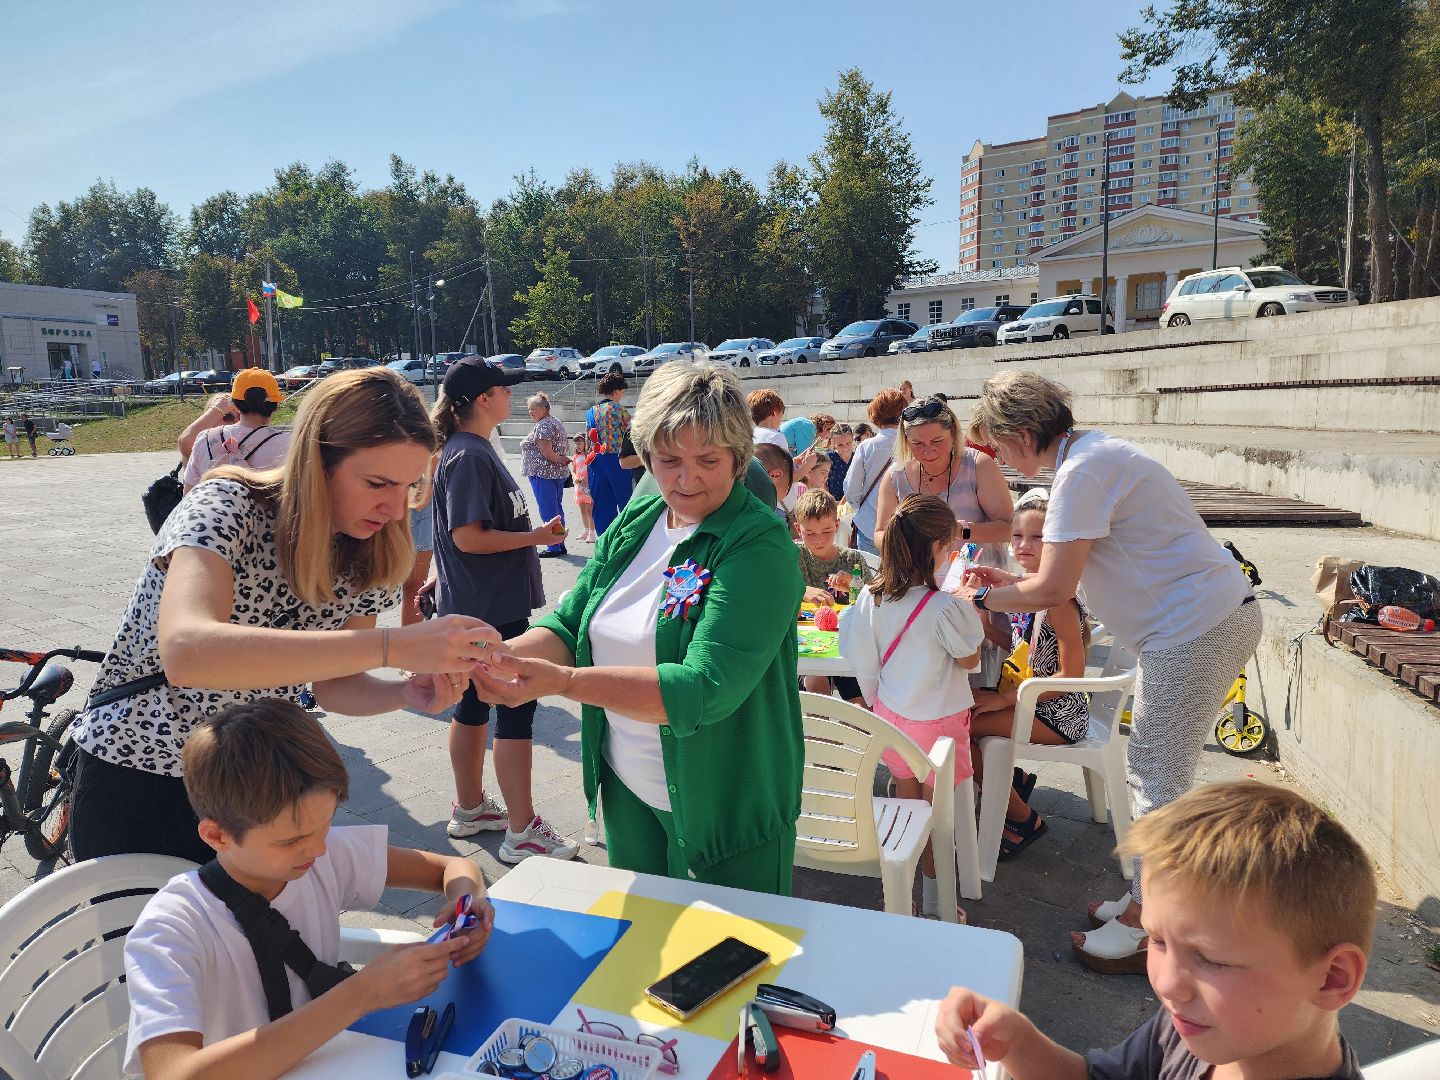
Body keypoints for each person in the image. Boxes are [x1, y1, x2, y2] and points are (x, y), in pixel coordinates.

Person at [68, 367, 493, 864]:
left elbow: (334, 685)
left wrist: (404, 691)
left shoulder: (368, 549)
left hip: (253, 787)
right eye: (379, 483)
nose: (396, 509)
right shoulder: (226, 504)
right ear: (317, 460)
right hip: (139, 770)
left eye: (409, 486)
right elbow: (187, 649)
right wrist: (393, 645)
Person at [962, 371, 1262, 973]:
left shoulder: (1080, 473)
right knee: (1158, 772)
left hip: (1192, 628)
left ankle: (1151, 925)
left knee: (1155, 778)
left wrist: (978, 601)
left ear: (1022, 435)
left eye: (999, 447)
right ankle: (1152, 899)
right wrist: (1009, 589)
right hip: (1198, 622)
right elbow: (1061, 580)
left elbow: (1054, 586)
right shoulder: (1091, 456)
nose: (1003, 460)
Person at [471, 360, 806, 895]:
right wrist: (495, 658)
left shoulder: (758, 544)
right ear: (647, 455)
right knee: (641, 955)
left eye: (708, 460)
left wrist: (563, 683)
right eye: (668, 459)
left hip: (725, 805)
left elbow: (702, 688)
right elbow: (571, 620)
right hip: (628, 789)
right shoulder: (643, 514)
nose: (685, 478)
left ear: (740, 460)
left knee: (733, 968)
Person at [124, 699, 492, 1080]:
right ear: (217, 836)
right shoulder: (171, 928)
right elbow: (172, 1073)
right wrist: (362, 994)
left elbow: (453, 866)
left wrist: (466, 902)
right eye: (292, 840)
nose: (317, 849)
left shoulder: (321, 855)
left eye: (326, 826)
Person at [935, 782, 1373, 1080]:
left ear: (1333, 978)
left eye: (1211, 959)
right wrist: (1016, 1040)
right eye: (1157, 941)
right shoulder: (1190, 1030)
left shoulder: (1207, 1026)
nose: (1165, 983)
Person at [427, 357, 577, 863]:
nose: (511, 397)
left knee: (471, 706)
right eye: (503, 390)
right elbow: (467, 536)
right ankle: (522, 829)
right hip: (489, 607)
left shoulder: (468, 450)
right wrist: (537, 537)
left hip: (478, 602)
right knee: (515, 707)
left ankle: (471, 809)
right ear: (482, 400)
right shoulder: (468, 454)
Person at [838, 494, 984, 918]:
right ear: (937, 548)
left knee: (907, 810)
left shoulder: (871, 597)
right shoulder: (945, 607)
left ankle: (904, 898)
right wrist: (968, 601)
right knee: (940, 820)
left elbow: (862, 660)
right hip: (937, 722)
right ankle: (939, 902)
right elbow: (970, 660)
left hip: (890, 718)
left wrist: (877, 701)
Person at [968, 490, 1090, 861]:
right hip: (1032, 699)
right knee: (958, 712)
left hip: (1059, 714)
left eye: (1038, 537)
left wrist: (1004, 699)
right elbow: (1019, 646)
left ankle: (1023, 819)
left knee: (956, 727)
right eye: (1018, 536)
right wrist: (986, 617)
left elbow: (1072, 675)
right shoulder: (1030, 587)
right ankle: (1012, 782)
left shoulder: (1059, 600)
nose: (1024, 544)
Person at [873, 395, 1013, 562]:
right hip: (923, 582)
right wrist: (906, 542)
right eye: (917, 443)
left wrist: (960, 530)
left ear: (953, 432)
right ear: (905, 441)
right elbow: (880, 534)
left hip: (979, 580)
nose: (928, 450)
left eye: (937, 441)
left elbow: (1009, 528)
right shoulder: (896, 476)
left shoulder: (979, 466)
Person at [794, 489, 870, 706]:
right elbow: (771, 593)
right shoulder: (791, 555)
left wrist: (853, 588)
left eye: (826, 531)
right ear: (799, 529)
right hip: (807, 647)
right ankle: (826, 739)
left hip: (847, 647)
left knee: (860, 703)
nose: (818, 540)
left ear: (837, 525)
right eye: (810, 533)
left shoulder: (853, 559)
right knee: (815, 682)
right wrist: (801, 590)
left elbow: (875, 603)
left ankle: (857, 736)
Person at [182, 369, 290, 493]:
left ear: (235, 404)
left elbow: (188, 495)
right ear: (275, 406)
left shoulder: (204, 438)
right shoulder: (289, 444)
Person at [842, 388, 905, 554]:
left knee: (870, 577)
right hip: (903, 526)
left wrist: (860, 505)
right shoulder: (912, 445)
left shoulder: (867, 446)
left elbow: (851, 488)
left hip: (869, 523)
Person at [519, 391, 570, 558]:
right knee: (556, 510)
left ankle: (554, 546)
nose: (530, 412)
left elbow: (547, 452)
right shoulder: (553, 422)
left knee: (549, 511)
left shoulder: (544, 426)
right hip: (553, 474)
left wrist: (561, 460)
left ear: (543, 409)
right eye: (528, 409)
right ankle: (559, 543)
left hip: (544, 474)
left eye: (532, 409)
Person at [586, 372, 634, 535]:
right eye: (622, 391)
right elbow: (632, 436)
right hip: (618, 461)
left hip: (596, 461)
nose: (622, 395)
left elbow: (589, 439)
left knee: (602, 505)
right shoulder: (621, 411)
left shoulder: (591, 412)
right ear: (617, 391)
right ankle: (627, 538)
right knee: (626, 502)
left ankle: (605, 541)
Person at [178, 393, 241, 462]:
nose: (236, 421)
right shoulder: (203, 442)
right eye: (227, 417)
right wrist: (216, 410)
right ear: (208, 419)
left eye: (240, 416)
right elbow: (186, 444)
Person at [571, 432, 597, 543]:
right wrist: (575, 477)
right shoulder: (575, 457)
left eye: (580, 442)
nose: (577, 445)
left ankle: (592, 532)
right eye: (576, 443)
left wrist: (586, 478)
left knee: (589, 509)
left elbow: (591, 470)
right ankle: (586, 530)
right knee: (582, 510)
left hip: (588, 486)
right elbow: (574, 470)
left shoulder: (588, 456)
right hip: (579, 486)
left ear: (585, 443)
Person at [825, 422, 855, 501]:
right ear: (833, 443)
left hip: (853, 503)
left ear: (853, 439)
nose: (845, 448)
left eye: (848, 443)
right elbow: (823, 482)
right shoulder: (828, 458)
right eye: (840, 445)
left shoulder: (857, 458)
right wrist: (830, 500)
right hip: (833, 502)